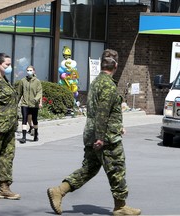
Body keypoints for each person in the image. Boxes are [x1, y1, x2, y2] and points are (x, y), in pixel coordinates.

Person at [47, 49, 141, 215]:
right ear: (116, 66)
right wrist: (101, 137)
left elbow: (103, 110)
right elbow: (102, 112)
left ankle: (59, 191)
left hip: (93, 133)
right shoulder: (108, 85)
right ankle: (120, 206)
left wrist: (117, 125)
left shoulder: (97, 82)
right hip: (106, 137)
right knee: (117, 169)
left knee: (89, 168)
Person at [0, 53, 21, 200]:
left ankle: (4, 188)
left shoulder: (4, 79)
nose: (9, 67)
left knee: (7, 157)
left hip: (8, 127)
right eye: (7, 64)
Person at [17, 65, 42, 143]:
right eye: (28, 70)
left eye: (31, 70)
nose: (29, 71)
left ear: (34, 71)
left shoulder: (37, 81)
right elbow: (19, 92)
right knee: (24, 119)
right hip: (25, 104)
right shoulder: (23, 81)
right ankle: (24, 137)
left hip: (34, 104)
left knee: (35, 120)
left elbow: (39, 92)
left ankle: (35, 134)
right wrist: (16, 102)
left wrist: (36, 99)